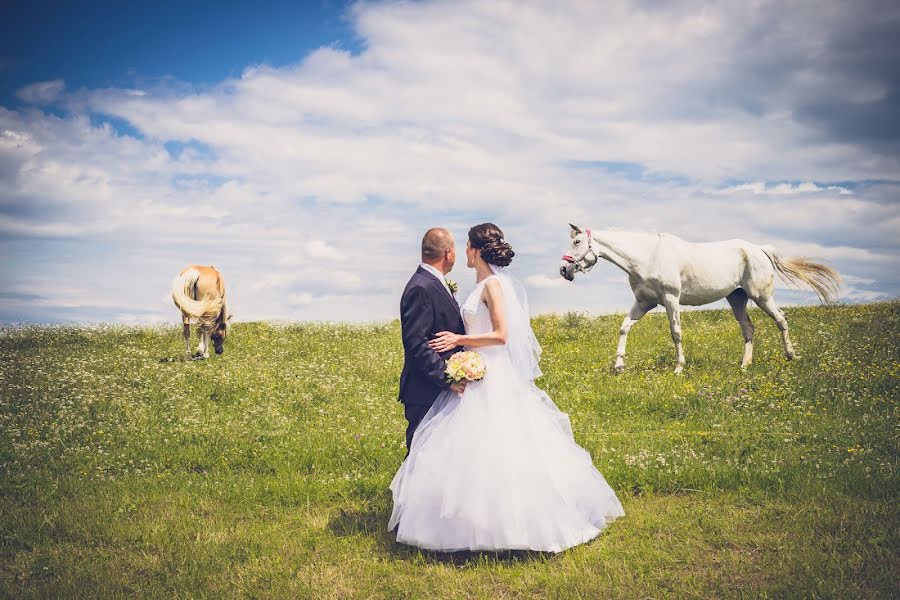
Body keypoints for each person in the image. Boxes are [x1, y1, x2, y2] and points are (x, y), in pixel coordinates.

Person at [389, 223, 624, 553]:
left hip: (491, 376)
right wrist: (459, 364)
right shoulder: (479, 284)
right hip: (476, 375)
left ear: (475, 250)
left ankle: (515, 525)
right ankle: (470, 524)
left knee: (501, 450)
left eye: (467, 246)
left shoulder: (495, 285)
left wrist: (461, 340)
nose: (463, 252)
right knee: (470, 454)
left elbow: (502, 335)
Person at [398, 228, 467, 452]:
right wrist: (447, 378)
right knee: (420, 454)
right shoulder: (421, 286)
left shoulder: (432, 282)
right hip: (425, 389)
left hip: (437, 389)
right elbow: (416, 344)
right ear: (448, 253)